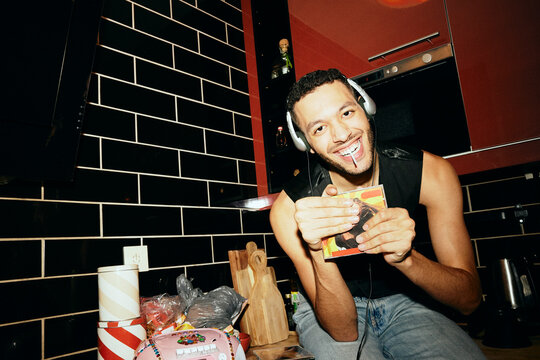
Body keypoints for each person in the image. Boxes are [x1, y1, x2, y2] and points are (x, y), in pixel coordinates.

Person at [269, 69, 485, 359]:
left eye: (346, 112)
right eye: (319, 128)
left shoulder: (431, 173)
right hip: (330, 309)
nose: (342, 135)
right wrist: (317, 249)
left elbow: (469, 301)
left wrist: (406, 259)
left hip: (408, 299)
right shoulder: (289, 210)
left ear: (365, 106)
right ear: (305, 143)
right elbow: (344, 332)